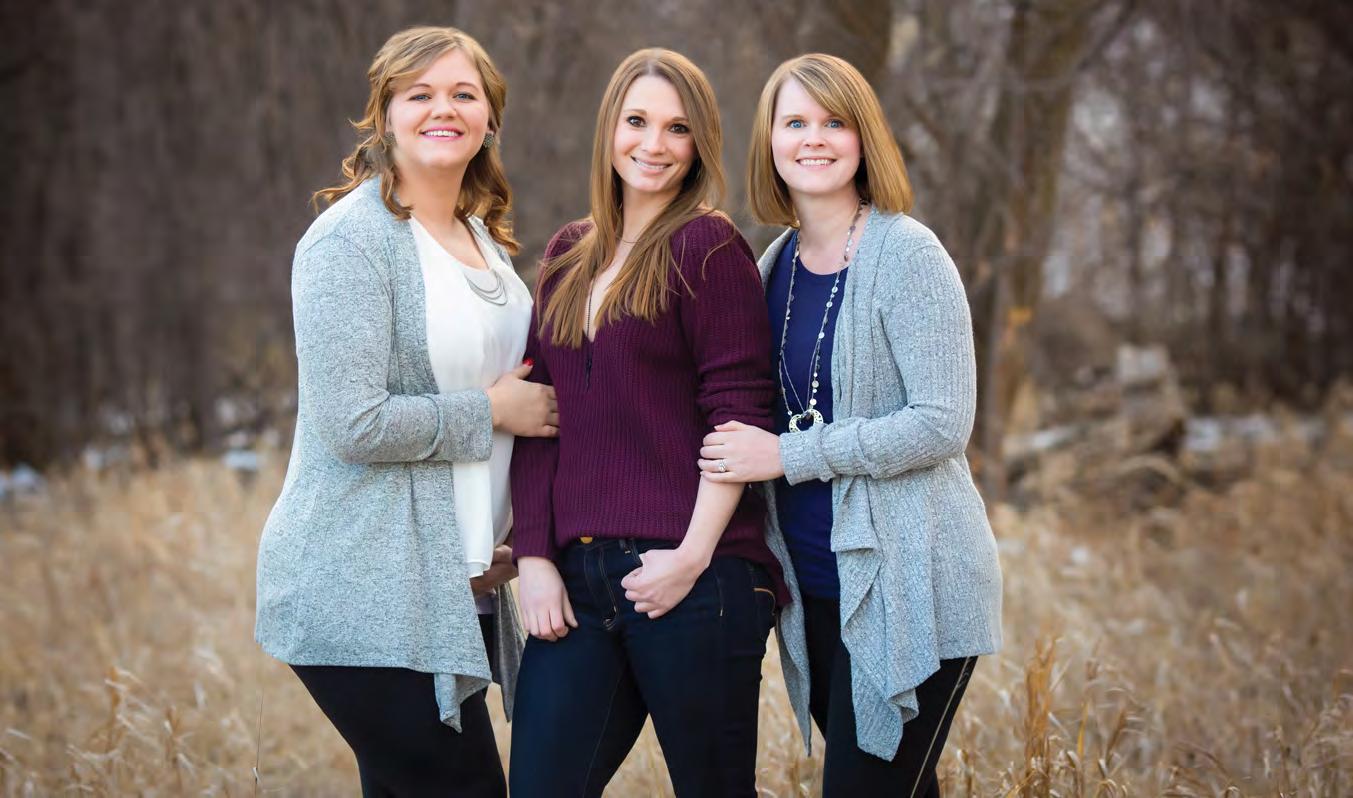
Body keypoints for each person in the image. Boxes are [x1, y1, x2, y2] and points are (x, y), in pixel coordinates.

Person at [254, 26, 557, 798]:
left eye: (463, 94)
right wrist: (491, 411)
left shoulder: (481, 239)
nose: (442, 109)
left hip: (448, 587)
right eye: (419, 94)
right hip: (363, 589)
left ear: (490, 116)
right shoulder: (350, 243)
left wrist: (498, 538)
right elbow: (353, 424)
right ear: (384, 115)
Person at [697, 53, 1004, 797]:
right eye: (794, 122)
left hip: (910, 585)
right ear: (769, 140)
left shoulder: (908, 254)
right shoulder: (772, 265)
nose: (814, 138)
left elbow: (941, 424)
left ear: (863, 137)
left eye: (834, 122)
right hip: (816, 589)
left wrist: (790, 455)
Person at [507, 48, 783, 798]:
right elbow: (539, 412)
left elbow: (737, 416)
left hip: (697, 577)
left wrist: (690, 556)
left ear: (699, 144)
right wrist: (534, 557)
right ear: (609, 128)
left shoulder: (707, 247)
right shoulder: (568, 253)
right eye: (637, 121)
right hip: (579, 582)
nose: (653, 144)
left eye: (677, 128)